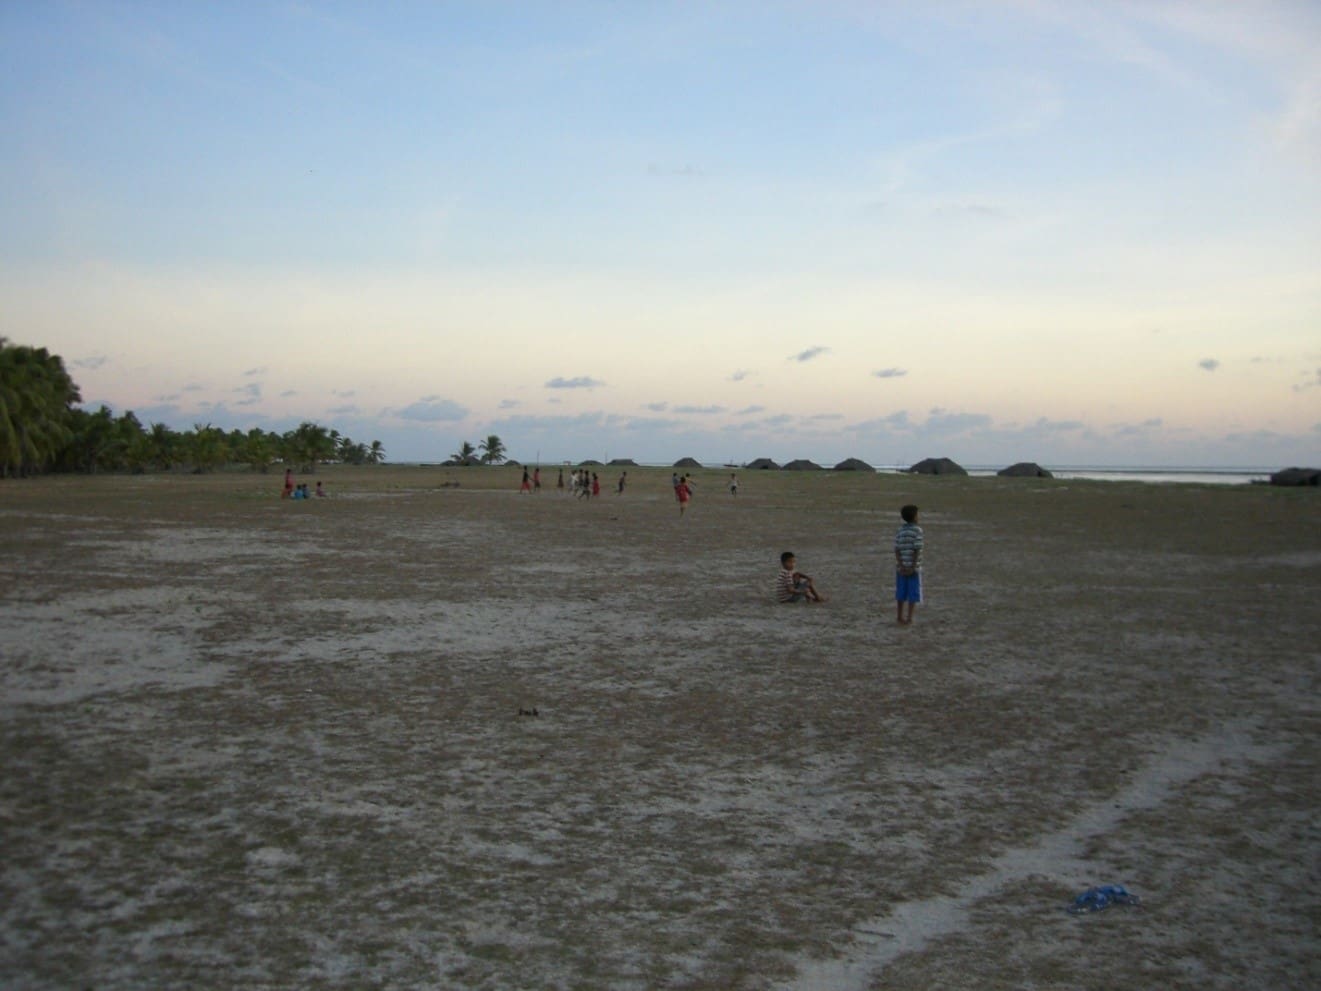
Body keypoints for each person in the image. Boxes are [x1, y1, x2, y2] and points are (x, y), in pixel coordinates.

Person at [894, 504, 923, 625]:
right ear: (915, 517)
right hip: (913, 569)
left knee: (900, 593)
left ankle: (899, 616)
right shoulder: (918, 530)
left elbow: (897, 549)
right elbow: (917, 549)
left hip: (901, 568)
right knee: (913, 593)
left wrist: (901, 565)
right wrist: (913, 566)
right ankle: (909, 617)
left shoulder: (900, 530)